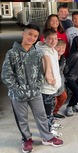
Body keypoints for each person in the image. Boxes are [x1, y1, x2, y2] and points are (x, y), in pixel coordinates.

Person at [1, 24, 63, 152]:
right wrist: (18, 89)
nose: (32, 37)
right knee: (21, 118)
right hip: (18, 95)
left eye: (35, 36)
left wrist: (37, 86)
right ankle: (26, 139)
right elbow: (6, 75)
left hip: (35, 93)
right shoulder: (12, 53)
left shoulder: (37, 53)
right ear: (23, 33)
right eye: (29, 34)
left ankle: (47, 137)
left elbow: (41, 73)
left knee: (41, 115)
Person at [35, 29, 62, 137]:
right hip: (47, 87)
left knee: (50, 108)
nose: (53, 41)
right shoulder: (44, 52)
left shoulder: (52, 50)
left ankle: (51, 123)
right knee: (48, 110)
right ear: (44, 39)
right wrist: (51, 81)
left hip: (52, 87)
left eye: (55, 38)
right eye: (50, 39)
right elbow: (48, 71)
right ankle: (48, 130)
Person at [53, 40, 68, 119]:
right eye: (58, 47)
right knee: (53, 101)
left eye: (63, 48)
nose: (61, 49)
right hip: (52, 83)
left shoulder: (63, 59)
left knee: (63, 96)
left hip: (60, 82)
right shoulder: (51, 58)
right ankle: (49, 114)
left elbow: (63, 71)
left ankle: (55, 111)